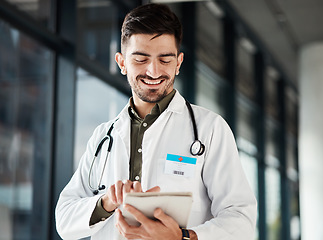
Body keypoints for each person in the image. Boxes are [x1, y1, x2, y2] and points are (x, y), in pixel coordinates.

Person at [55, 3, 257, 240]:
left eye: (165, 60)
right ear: (121, 63)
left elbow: (241, 219)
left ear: (179, 63)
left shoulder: (210, 128)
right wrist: (106, 202)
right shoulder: (103, 136)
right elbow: (64, 220)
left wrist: (183, 237)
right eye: (140, 59)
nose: (153, 71)